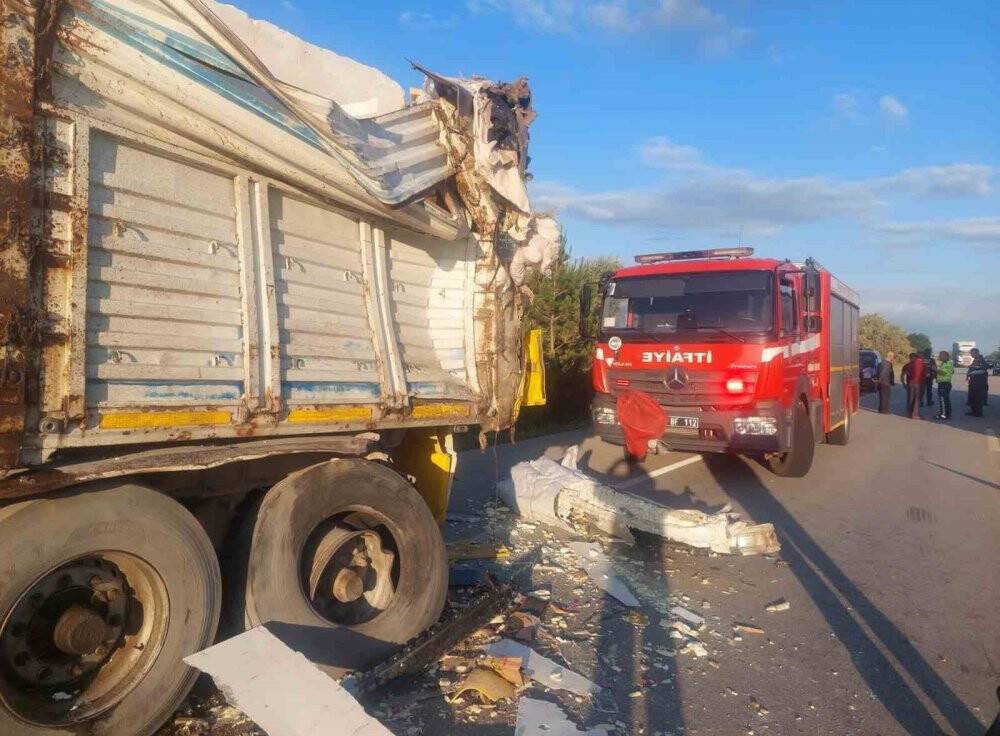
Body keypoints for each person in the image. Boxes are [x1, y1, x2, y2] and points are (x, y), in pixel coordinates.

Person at [901, 352, 924, 418]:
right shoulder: (920, 364)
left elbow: (902, 376)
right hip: (917, 384)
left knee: (910, 398)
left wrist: (903, 384)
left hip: (910, 384)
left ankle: (909, 413)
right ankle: (915, 414)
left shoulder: (907, 365)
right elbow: (924, 375)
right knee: (917, 398)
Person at [966, 348, 989, 417]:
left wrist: (971, 373)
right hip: (973, 382)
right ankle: (973, 411)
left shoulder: (981, 360)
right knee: (973, 397)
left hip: (979, 383)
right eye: (971, 353)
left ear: (977, 353)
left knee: (978, 398)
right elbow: (972, 368)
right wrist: (968, 374)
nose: (971, 354)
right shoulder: (975, 360)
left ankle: (978, 413)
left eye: (972, 353)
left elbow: (982, 370)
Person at [935, 350, 954, 420]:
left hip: (944, 384)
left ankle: (943, 415)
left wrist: (936, 370)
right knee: (946, 400)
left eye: (941, 355)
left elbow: (944, 373)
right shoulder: (945, 363)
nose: (939, 357)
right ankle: (947, 414)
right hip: (944, 383)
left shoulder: (947, 363)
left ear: (946, 356)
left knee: (943, 400)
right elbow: (952, 372)